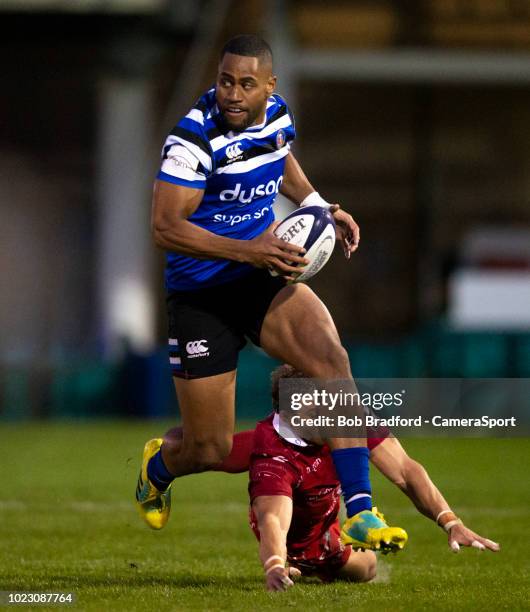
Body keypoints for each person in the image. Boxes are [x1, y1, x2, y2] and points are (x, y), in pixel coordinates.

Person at [135, 33, 405, 549]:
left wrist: (321, 205)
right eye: (224, 81)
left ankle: (360, 510)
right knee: (209, 447)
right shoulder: (192, 140)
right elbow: (165, 228)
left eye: (246, 84)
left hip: (260, 276)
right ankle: (159, 466)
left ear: (269, 87)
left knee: (331, 358)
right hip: (201, 295)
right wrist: (249, 251)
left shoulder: (278, 115)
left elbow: (280, 160)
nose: (232, 94)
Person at [163, 364, 500, 591]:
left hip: (321, 510)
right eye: (315, 411)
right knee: (210, 454)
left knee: (368, 570)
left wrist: (449, 520)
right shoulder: (273, 457)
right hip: (297, 523)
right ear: (290, 414)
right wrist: (275, 564)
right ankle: (164, 457)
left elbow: (406, 471)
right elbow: (271, 520)